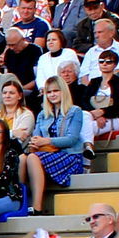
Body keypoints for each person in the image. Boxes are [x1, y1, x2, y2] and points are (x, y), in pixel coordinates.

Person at [20, 77, 84, 215]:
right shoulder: (43, 115)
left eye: (56, 91)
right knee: (22, 159)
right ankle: (20, 203)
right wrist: (35, 143)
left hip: (70, 156)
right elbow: (36, 136)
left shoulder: (75, 111)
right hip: (47, 155)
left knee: (32, 158)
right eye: (49, 92)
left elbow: (72, 139)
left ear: (64, 92)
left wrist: (47, 141)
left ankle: (36, 207)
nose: (52, 94)